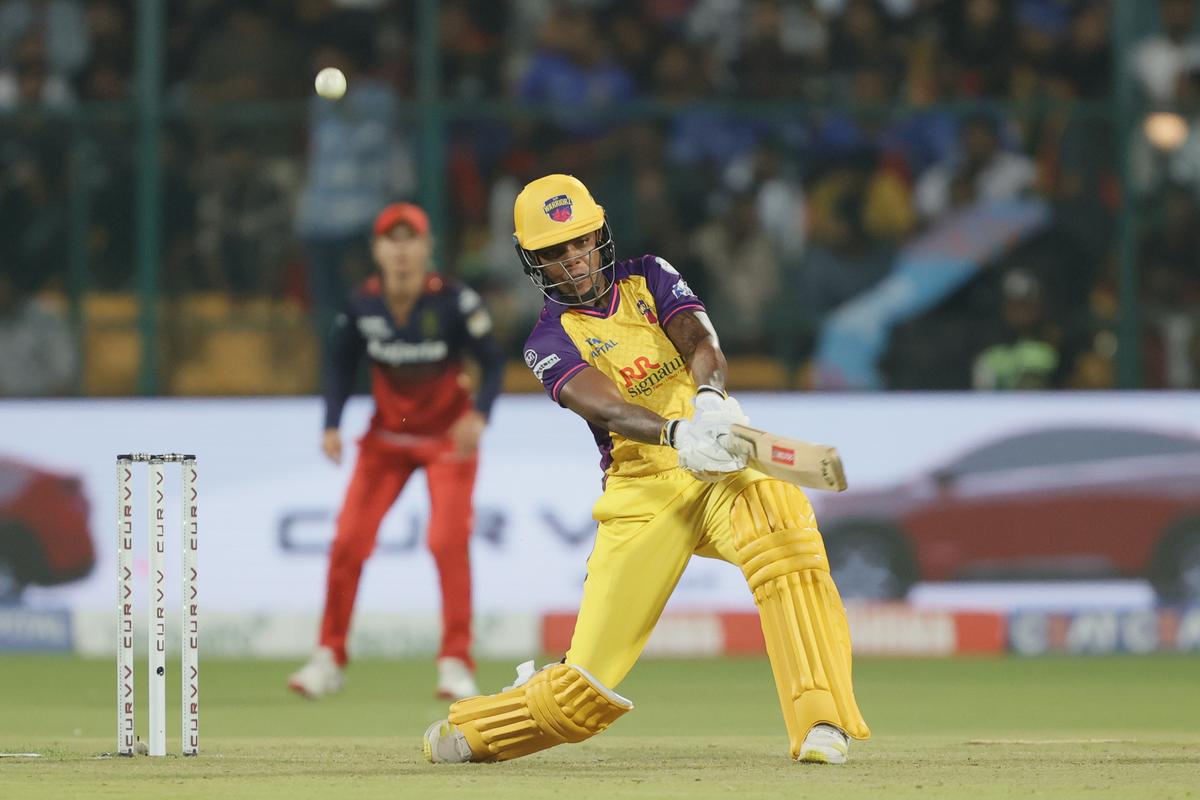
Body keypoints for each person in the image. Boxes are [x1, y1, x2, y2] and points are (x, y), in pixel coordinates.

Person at [422, 174, 869, 764]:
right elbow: (602, 403)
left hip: (719, 467)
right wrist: (675, 432)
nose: (573, 260)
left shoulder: (649, 274)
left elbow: (699, 340)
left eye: (580, 241)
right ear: (534, 262)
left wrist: (708, 400)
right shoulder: (547, 337)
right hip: (641, 491)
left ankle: (821, 723)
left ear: (599, 234)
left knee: (784, 532)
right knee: (584, 693)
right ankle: (481, 726)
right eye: (554, 252)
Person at [288, 202, 504, 701]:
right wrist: (331, 425)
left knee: (447, 542)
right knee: (347, 543)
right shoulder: (361, 305)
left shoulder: (454, 301)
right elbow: (339, 365)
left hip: (449, 441)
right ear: (376, 250)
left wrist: (481, 415)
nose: (401, 251)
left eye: (411, 240)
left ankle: (455, 662)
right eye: (391, 240)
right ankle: (329, 658)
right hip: (385, 441)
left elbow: (492, 363)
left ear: (427, 248)